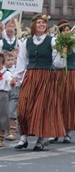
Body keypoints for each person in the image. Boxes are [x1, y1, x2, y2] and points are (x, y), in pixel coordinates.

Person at [11, 14, 65, 150]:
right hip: (30, 76)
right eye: (39, 22)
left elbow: (58, 63)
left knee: (41, 109)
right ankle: (23, 138)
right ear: (34, 25)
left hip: (45, 77)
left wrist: (63, 53)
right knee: (23, 108)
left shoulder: (52, 41)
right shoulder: (26, 42)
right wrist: (15, 77)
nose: (42, 24)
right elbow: (22, 61)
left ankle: (41, 140)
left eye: (44, 23)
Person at [55, 20, 74, 143]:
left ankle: (68, 132)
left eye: (68, 30)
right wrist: (62, 51)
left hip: (72, 73)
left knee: (69, 102)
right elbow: (55, 61)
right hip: (58, 74)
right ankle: (55, 130)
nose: (66, 32)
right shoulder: (56, 43)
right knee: (57, 102)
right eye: (64, 31)